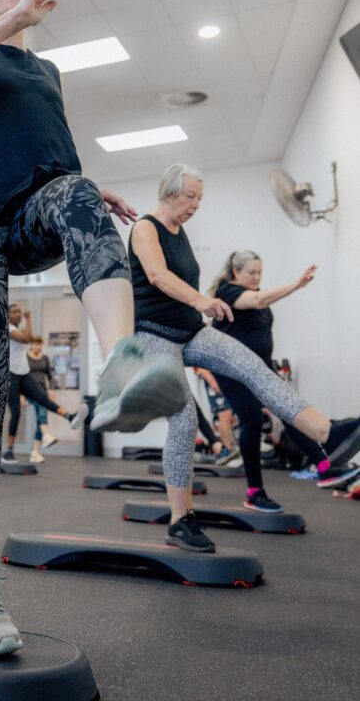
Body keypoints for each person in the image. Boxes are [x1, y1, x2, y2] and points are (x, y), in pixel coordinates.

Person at [0, 0, 189, 657]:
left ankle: (124, 362)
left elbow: (49, 151)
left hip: (28, 212)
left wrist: (84, 192)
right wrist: (8, 21)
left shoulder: (48, 71)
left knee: (77, 190)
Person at [128, 163, 333, 553]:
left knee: (255, 368)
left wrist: (199, 308)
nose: (196, 205)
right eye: (191, 196)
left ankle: (327, 434)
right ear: (169, 192)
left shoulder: (180, 231)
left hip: (191, 330)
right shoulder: (145, 227)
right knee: (184, 421)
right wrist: (201, 300)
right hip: (153, 334)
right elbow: (157, 276)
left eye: (200, 198)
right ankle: (180, 521)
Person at [209, 251, 360, 490]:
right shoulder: (228, 293)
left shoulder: (257, 294)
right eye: (251, 272)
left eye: (260, 272)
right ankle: (254, 491)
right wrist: (296, 285)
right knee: (252, 421)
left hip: (261, 367)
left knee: (291, 413)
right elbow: (257, 301)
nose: (257, 277)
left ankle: (324, 468)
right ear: (235, 272)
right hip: (233, 370)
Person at [3, 304, 87, 464]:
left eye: (20, 312)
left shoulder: (18, 329)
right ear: (8, 315)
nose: (18, 314)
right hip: (11, 374)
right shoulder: (8, 328)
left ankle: (70, 417)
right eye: (14, 312)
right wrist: (29, 319)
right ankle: (9, 452)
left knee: (43, 399)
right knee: (16, 412)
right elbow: (26, 339)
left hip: (24, 372)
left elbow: (26, 338)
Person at [26, 334, 57, 463]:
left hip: (42, 391)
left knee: (41, 418)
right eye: (36, 344)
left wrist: (51, 390)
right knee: (42, 409)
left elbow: (50, 376)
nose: (38, 346)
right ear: (31, 344)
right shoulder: (26, 358)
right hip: (30, 390)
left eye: (40, 344)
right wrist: (21, 395)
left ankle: (35, 451)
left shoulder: (45, 358)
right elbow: (21, 375)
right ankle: (46, 435)